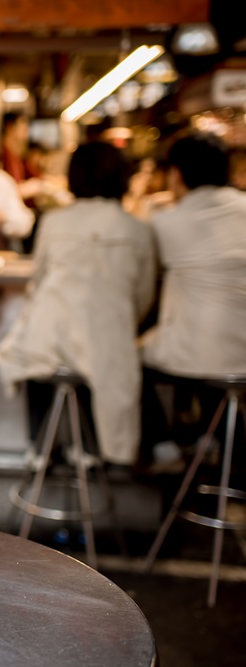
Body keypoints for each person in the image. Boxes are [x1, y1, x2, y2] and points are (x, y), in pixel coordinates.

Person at [0, 142, 156, 465]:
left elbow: (37, 284)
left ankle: (40, 447)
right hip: (106, 349)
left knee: (37, 347)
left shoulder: (54, 222)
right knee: (97, 353)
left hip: (47, 343)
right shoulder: (137, 229)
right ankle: (91, 449)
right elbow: (144, 297)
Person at [139, 132, 246, 459]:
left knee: (129, 356)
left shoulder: (166, 222)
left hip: (196, 356)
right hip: (241, 357)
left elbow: (137, 263)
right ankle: (217, 443)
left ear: (176, 174)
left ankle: (163, 445)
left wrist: (145, 201)